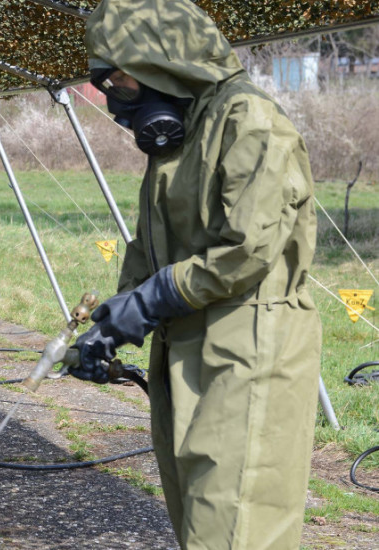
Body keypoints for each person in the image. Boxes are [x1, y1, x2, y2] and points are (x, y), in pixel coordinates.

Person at [75, 1, 321, 548]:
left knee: (232, 523)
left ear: (164, 61)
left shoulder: (249, 122)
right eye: (107, 82)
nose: (115, 97)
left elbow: (248, 250)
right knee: (195, 514)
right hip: (185, 339)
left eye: (122, 79)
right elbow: (151, 243)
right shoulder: (184, 131)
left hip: (250, 345)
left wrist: (154, 297)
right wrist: (112, 323)